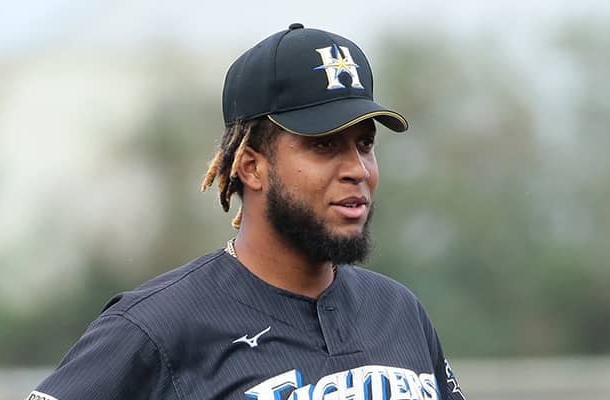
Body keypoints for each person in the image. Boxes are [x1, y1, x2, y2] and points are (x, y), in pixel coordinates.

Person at [27, 23, 466, 400]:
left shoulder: (399, 311)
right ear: (252, 166)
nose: (357, 169)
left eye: (365, 144)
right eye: (324, 145)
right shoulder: (155, 327)